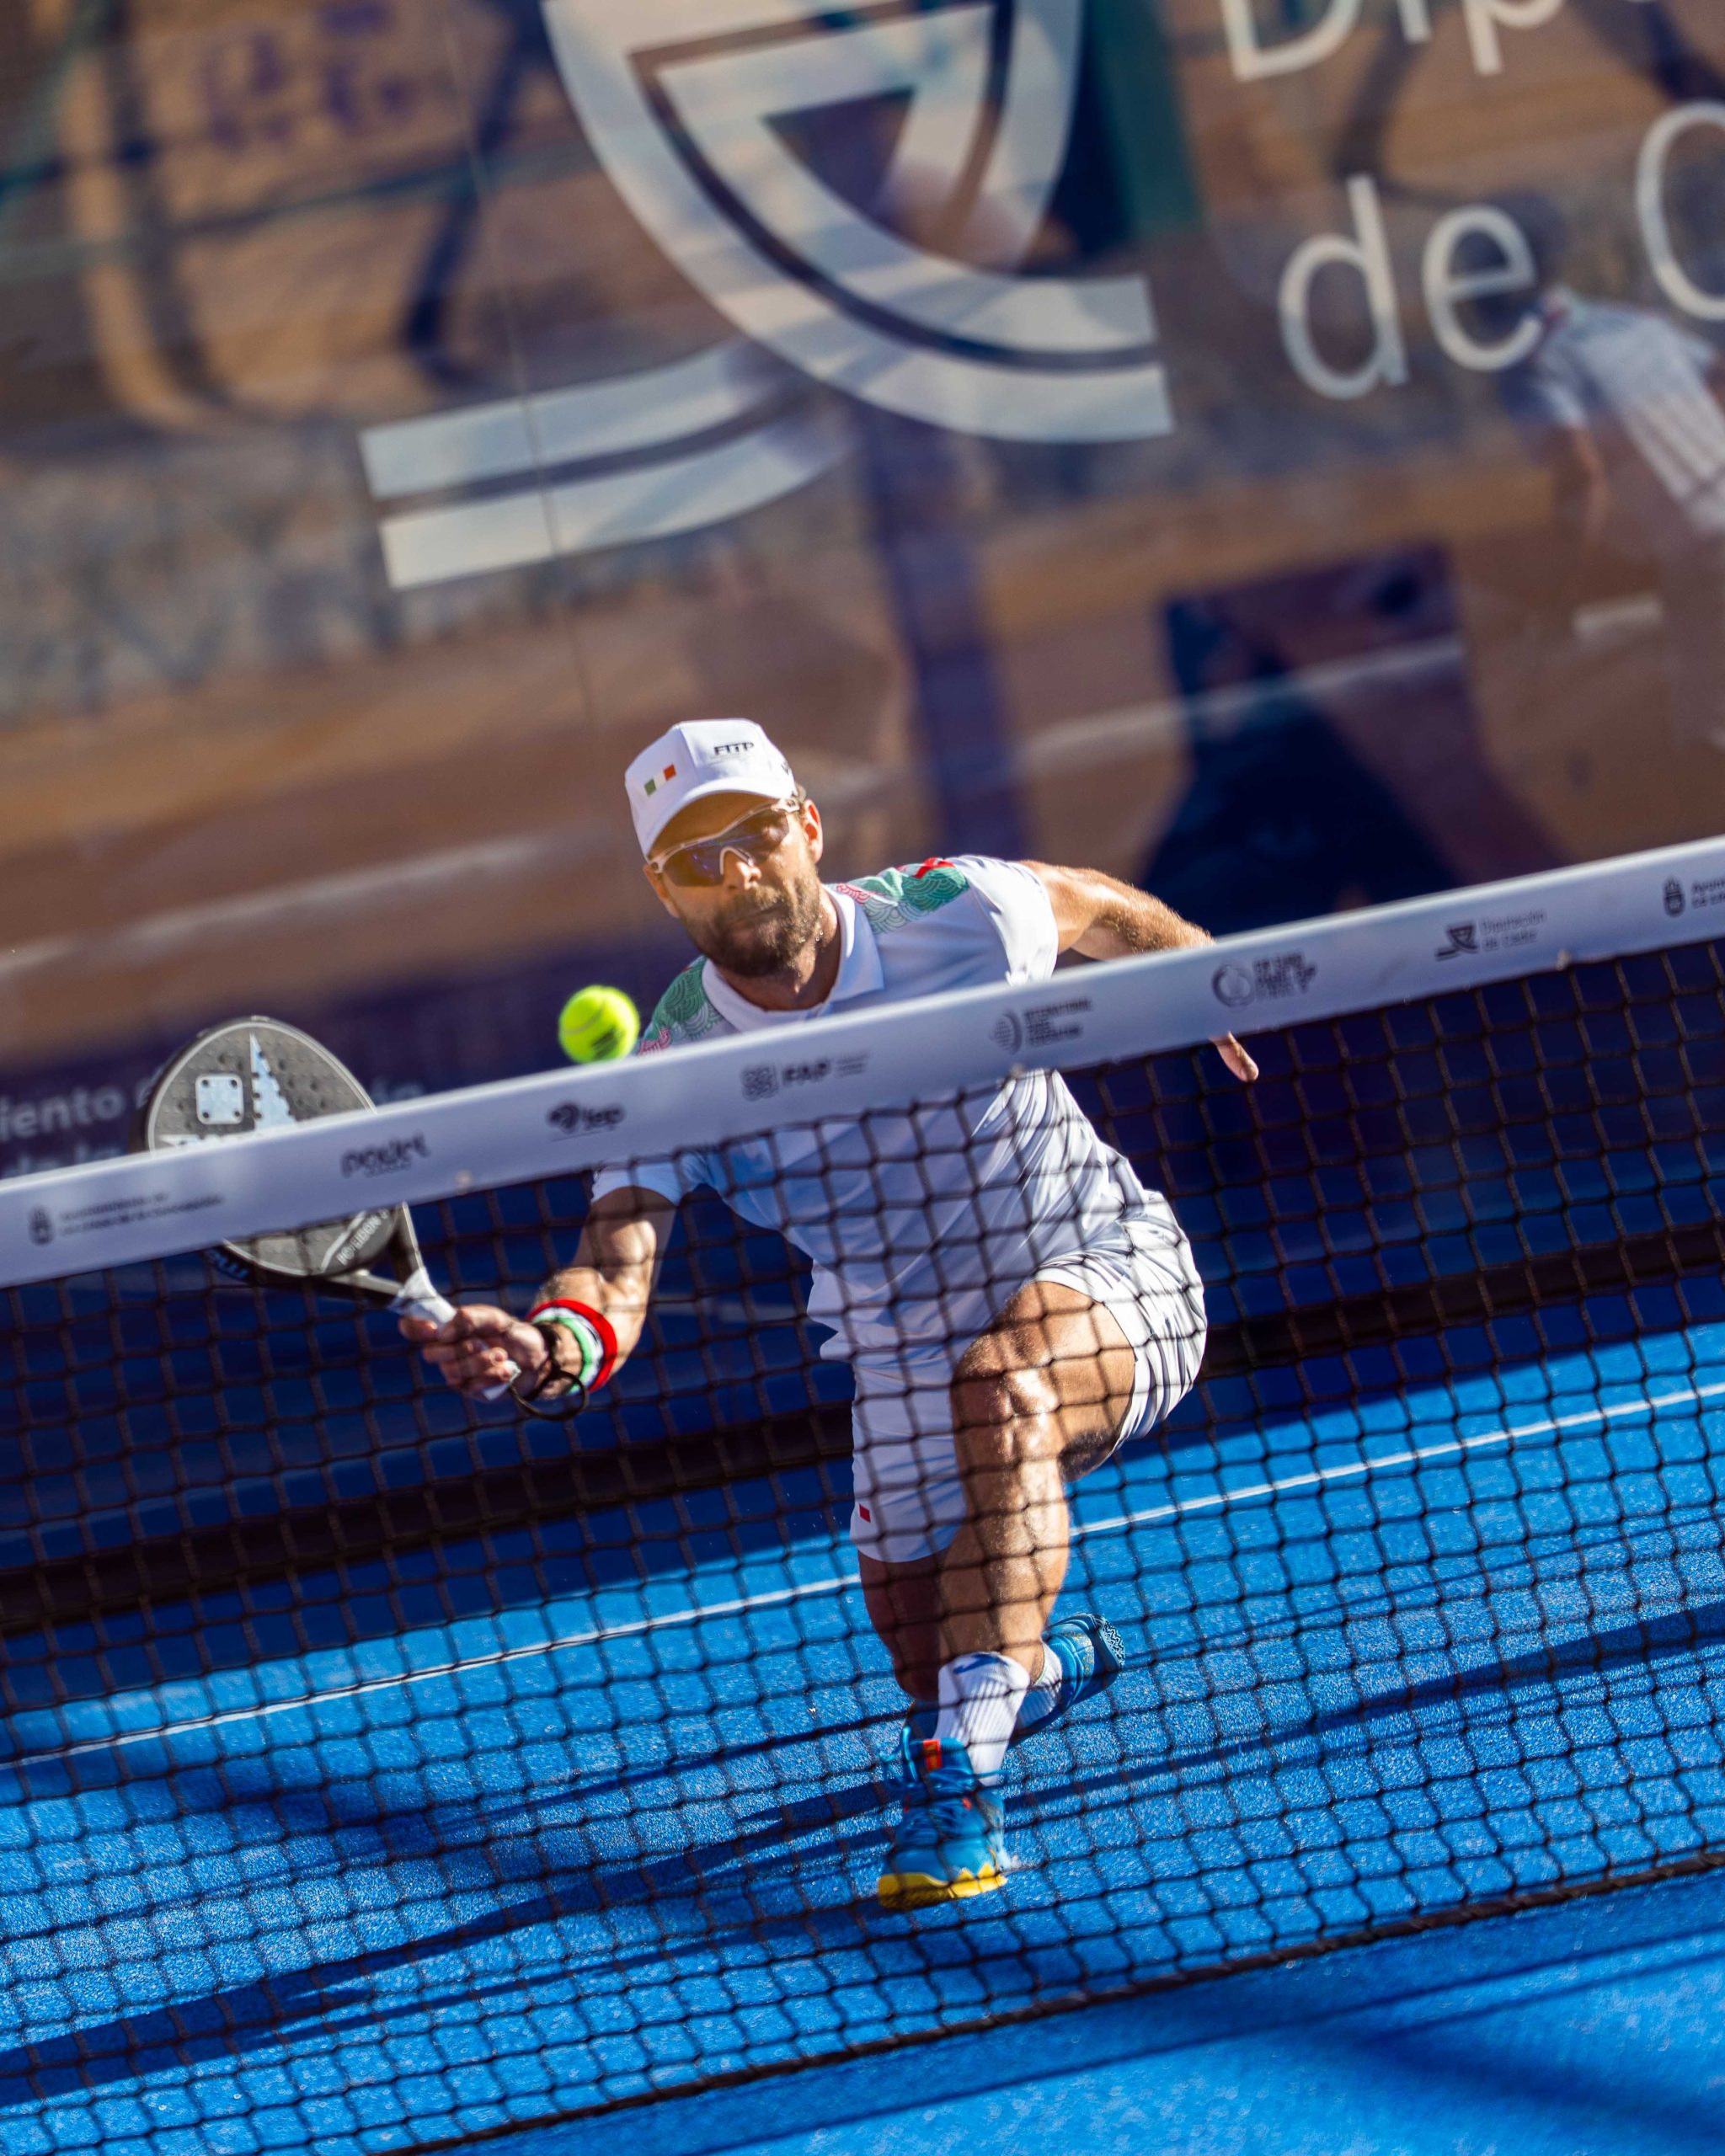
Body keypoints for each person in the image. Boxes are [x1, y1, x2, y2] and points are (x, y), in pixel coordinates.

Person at [405, 719, 1256, 1909]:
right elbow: (614, 1268)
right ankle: (1024, 1673)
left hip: (1108, 1265)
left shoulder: (958, 914)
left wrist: (1196, 972)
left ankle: (961, 1791)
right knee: (928, 1659)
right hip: (899, 1354)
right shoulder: (670, 1071)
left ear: (807, 827)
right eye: (697, 859)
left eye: (754, 833)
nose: (737, 869)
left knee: (1002, 1389)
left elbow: (1095, 908)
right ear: (665, 890)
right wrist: (551, 1347)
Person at [1489, 192, 1725, 751]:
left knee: (1707, 739)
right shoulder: (1633, 324)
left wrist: (1559, 604)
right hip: (1700, 548)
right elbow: (1717, 378)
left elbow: (1582, 480)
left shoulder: (1536, 361)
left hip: (1704, 556)